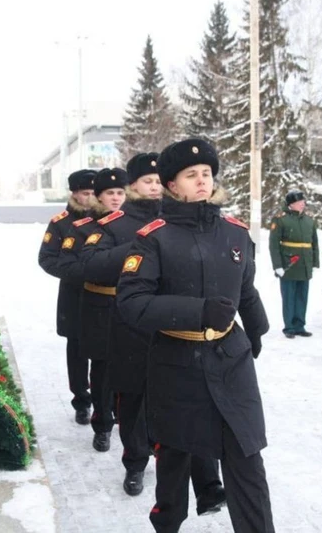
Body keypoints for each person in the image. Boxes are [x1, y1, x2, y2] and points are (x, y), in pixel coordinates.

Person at [116, 138, 274, 533]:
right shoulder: (154, 237)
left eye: (206, 173)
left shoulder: (235, 232)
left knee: (246, 454)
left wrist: (257, 327)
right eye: (191, 175)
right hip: (176, 363)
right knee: (174, 460)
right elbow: (132, 302)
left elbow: (246, 288)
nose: (202, 180)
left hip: (231, 360)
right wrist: (197, 311)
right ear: (172, 185)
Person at [82, 153, 225, 509]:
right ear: (132, 185)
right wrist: (141, 246)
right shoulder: (114, 224)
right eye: (148, 181)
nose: (156, 187)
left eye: (160, 180)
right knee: (133, 399)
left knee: (184, 401)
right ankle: (135, 463)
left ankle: (197, 475)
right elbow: (91, 264)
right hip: (132, 326)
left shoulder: (182, 217)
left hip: (176, 328)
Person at [58, 167, 127, 451]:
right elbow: (61, 262)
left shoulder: (135, 225)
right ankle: (98, 417)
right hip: (92, 303)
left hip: (129, 306)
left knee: (129, 367)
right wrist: (90, 274)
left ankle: (124, 417)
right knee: (97, 366)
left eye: (121, 192)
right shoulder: (81, 227)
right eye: (109, 193)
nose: (116, 198)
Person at [37, 169, 97, 424]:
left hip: (105, 296)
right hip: (75, 295)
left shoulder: (109, 219)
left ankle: (107, 402)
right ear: (74, 194)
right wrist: (77, 273)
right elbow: (47, 259)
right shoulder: (61, 223)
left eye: (95, 193)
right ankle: (81, 401)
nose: (91, 198)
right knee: (77, 350)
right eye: (86, 193)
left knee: (107, 351)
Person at [268, 190, 319, 339]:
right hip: (289, 264)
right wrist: (277, 266)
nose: (302, 204)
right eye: (298, 202)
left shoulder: (309, 220)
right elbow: (274, 245)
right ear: (291, 204)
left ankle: (299, 325)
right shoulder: (281, 220)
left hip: (305, 264)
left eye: (303, 201)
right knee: (289, 297)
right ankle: (289, 327)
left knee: (302, 296)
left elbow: (314, 243)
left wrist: (314, 262)